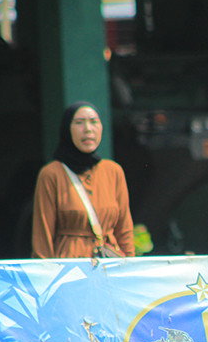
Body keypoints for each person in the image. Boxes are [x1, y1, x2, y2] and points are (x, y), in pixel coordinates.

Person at [31, 101, 135, 258]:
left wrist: (130, 267)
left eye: (94, 122)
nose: (88, 129)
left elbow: (124, 229)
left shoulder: (113, 171)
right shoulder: (51, 174)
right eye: (79, 123)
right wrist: (45, 273)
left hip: (108, 267)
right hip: (69, 268)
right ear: (67, 129)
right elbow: (42, 235)